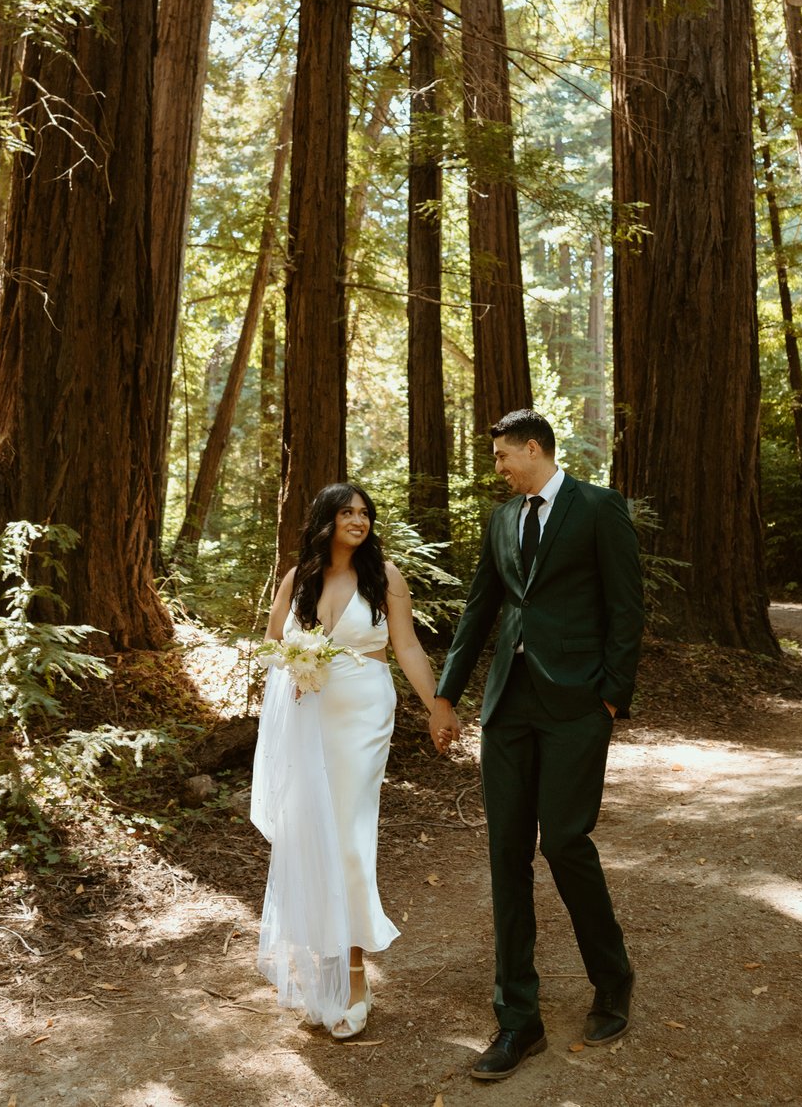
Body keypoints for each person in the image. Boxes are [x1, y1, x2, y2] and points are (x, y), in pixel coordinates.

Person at [429, 409, 644, 1082]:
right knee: (506, 853)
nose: (497, 468)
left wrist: (610, 695)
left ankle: (613, 979)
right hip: (508, 705)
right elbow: (479, 608)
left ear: (532, 449)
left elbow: (626, 606)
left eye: (501, 457)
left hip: (578, 704)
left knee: (564, 844)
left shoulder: (599, 508)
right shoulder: (502, 521)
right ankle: (518, 1018)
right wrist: (448, 693)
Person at [250, 482, 440, 1041]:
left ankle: (356, 977)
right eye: (347, 512)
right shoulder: (298, 579)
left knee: (351, 840)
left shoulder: (386, 579)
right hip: (308, 719)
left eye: (365, 513)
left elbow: (405, 647)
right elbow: (269, 643)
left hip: (362, 715)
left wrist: (437, 708)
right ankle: (324, 972)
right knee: (313, 838)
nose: (359, 520)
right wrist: (295, 668)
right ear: (325, 520)